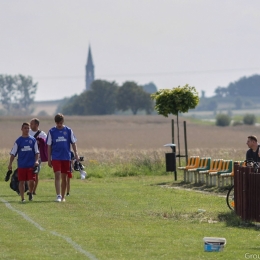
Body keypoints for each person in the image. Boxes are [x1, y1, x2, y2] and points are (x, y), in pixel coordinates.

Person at [47, 113, 79, 202]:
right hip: (56, 157)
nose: (59, 125)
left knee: (64, 177)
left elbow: (73, 143)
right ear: (55, 122)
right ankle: (58, 195)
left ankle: (63, 196)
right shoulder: (52, 131)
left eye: (60, 123)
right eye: (57, 123)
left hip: (66, 157)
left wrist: (76, 153)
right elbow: (49, 146)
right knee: (57, 175)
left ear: (63, 122)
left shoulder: (68, 130)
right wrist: (49, 158)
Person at [8, 122, 39, 202]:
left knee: (31, 181)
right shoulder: (18, 141)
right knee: (21, 181)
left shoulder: (33, 140)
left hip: (31, 165)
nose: (27, 130)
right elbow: (13, 153)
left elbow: (37, 152)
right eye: (25, 128)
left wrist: (36, 161)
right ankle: (22, 198)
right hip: (22, 165)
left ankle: (31, 193)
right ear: (21, 129)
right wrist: (10, 164)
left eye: (28, 128)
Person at [29, 118, 47, 196]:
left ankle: (34, 190)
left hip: (37, 157)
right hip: (28, 155)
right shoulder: (28, 132)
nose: (30, 125)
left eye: (32, 124)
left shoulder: (42, 134)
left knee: (36, 173)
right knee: (28, 172)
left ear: (36, 125)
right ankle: (29, 189)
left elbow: (46, 145)